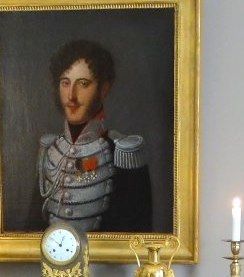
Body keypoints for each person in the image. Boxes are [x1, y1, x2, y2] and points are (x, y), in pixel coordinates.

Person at [30, 39, 152, 233]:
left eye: (83, 84)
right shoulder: (50, 149)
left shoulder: (122, 152)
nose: (71, 95)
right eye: (65, 83)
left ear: (103, 89)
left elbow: (134, 232)